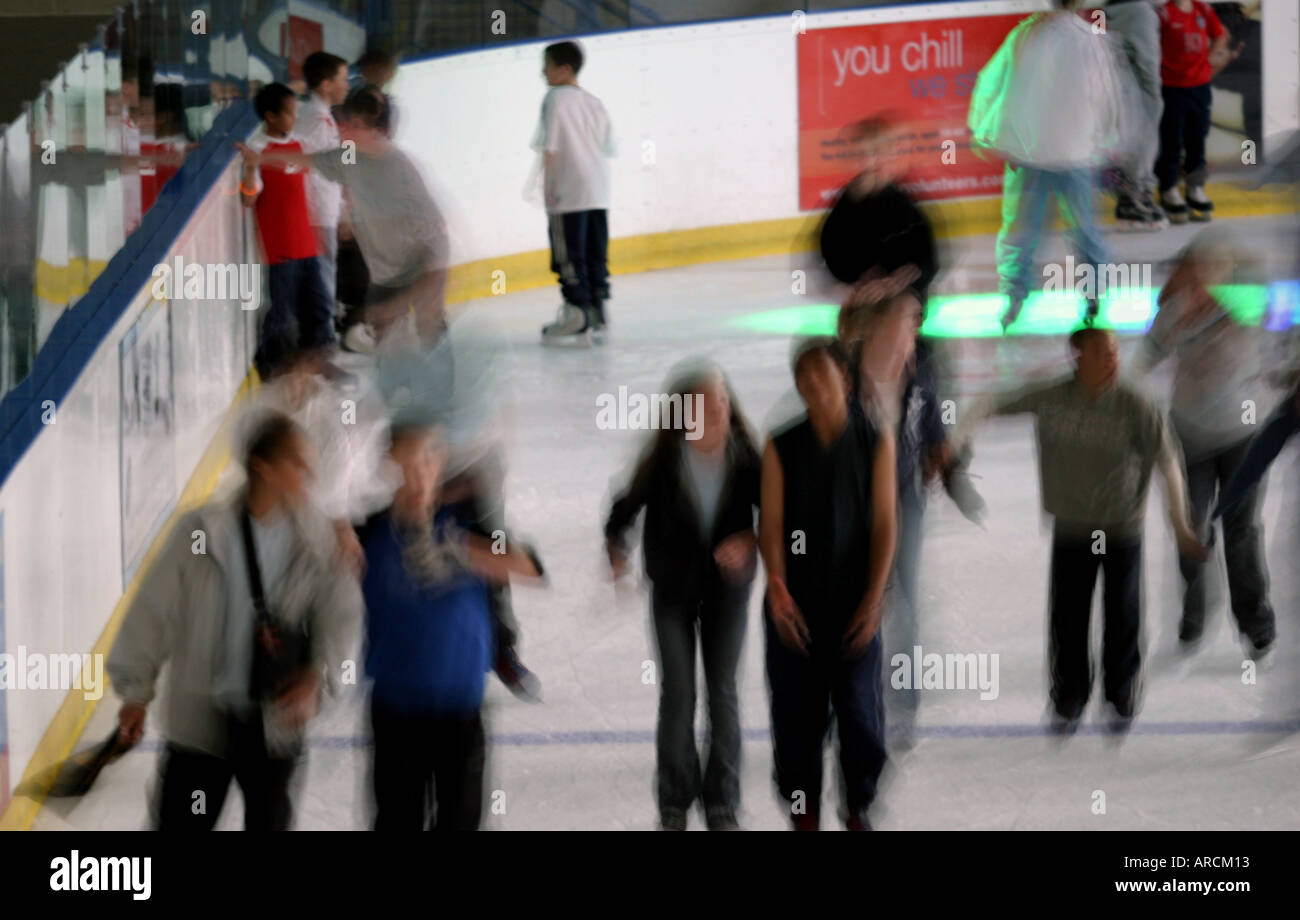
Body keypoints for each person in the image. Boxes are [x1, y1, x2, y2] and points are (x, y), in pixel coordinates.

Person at [108, 412, 362, 830]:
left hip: (275, 724)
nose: (309, 474)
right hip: (201, 728)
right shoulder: (200, 532)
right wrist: (136, 691)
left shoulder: (319, 539)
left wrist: (317, 678)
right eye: (298, 463)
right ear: (263, 468)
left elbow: (342, 615)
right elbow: (153, 609)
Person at [952, 327, 1206, 733]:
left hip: (1122, 527)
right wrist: (954, 440)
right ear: (1077, 356)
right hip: (1072, 526)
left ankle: (1120, 693)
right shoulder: (1051, 395)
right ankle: (1068, 696)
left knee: (1122, 614)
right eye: (1102, 353)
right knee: (1068, 617)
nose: (1112, 360)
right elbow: (989, 401)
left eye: (1114, 352)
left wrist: (1179, 522)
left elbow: (1168, 461)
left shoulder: (1134, 403)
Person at [358, 422, 541, 830]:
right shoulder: (368, 532)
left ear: (442, 464)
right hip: (394, 711)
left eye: (428, 461)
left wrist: (462, 549)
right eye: (407, 464)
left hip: (459, 709)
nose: (419, 474)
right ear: (388, 467)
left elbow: (529, 564)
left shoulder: (468, 525)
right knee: (395, 820)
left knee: (460, 822)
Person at [604, 360, 761, 831]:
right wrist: (616, 548)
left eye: (723, 400)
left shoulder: (746, 457)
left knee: (723, 693)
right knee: (678, 695)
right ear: (685, 410)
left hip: (726, 595)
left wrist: (749, 542)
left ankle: (722, 800)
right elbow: (623, 509)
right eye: (709, 402)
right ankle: (674, 800)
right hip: (671, 595)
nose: (719, 409)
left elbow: (778, 519)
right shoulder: (665, 460)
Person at [838, 290, 985, 749]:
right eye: (905, 321)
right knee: (855, 595)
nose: (913, 331)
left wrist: (947, 460)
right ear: (880, 326)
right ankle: (850, 699)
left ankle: (902, 704)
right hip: (855, 496)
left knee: (902, 595)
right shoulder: (848, 365)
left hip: (906, 494)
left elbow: (936, 413)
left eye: (915, 322)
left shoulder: (922, 362)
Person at [761, 337, 897, 830]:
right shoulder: (782, 444)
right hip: (795, 603)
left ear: (843, 375)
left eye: (821, 375)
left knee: (860, 713)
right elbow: (771, 526)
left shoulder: (874, 440)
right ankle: (804, 808)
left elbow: (885, 524)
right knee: (797, 716)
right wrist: (776, 586)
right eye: (803, 379)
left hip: (854, 602)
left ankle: (857, 805)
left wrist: (874, 596)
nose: (812, 386)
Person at [1134, 233, 1276, 660]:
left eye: (1202, 273)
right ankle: (1194, 616)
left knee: (1241, 534)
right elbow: (1144, 360)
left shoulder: (1246, 305)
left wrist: (1207, 280)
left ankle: (1255, 623)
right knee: (1191, 531)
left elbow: (1254, 270)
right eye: (1190, 272)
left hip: (1241, 438)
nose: (1193, 284)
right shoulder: (1175, 311)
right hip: (1187, 438)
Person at [967, 0, 1141, 331]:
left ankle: (1015, 296)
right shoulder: (1091, 40)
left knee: (1022, 230)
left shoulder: (1026, 35)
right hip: (1074, 155)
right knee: (1084, 230)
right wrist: (1112, 140)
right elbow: (1109, 94)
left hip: (1030, 154)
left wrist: (985, 130)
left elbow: (992, 80)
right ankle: (1092, 296)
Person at [238, 89, 450, 352]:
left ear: (375, 130)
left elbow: (432, 230)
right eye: (345, 125)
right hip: (384, 270)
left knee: (427, 326)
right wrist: (259, 159)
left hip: (420, 261)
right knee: (385, 333)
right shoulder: (349, 157)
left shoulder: (394, 165)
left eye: (353, 126)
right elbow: (309, 161)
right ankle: (394, 382)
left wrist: (416, 286)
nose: (344, 132)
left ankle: (438, 382)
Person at [239, 83, 338, 380]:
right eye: (290, 114)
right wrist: (250, 169)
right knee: (281, 312)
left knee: (318, 304)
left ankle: (319, 356)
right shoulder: (257, 150)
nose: (295, 119)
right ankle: (271, 365)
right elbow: (248, 198)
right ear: (270, 116)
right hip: (279, 247)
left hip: (307, 241)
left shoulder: (301, 145)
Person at [532, 40, 616, 345]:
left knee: (568, 254)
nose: (543, 73)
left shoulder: (554, 99)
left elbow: (550, 147)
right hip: (599, 188)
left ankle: (576, 311)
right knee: (595, 250)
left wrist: (548, 187)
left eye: (548, 65)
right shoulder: (594, 102)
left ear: (564, 69)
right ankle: (597, 311)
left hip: (569, 187)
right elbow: (608, 146)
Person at [818, 114, 939, 305]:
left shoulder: (902, 203)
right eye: (860, 155)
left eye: (874, 154)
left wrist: (893, 283)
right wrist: (851, 280)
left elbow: (926, 260)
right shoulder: (846, 201)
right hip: (864, 305)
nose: (868, 162)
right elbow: (830, 247)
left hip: (903, 306)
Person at [1155, 0, 1241, 223]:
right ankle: (1169, 188)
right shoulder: (1164, 13)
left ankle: (1195, 187)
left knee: (1197, 139)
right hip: (1172, 86)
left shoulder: (1203, 9)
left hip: (1199, 86)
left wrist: (1210, 55)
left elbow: (1220, 34)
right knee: (1171, 140)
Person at [1100, 0, 1170, 230]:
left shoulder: (1113, 10)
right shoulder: (1139, 12)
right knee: (1143, 130)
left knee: (1126, 133)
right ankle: (1137, 195)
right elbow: (1148, 62)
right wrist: (1155, 95)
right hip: (1135, 83)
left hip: (1117, 82)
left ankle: (1128, 194)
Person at [298, 52, 350, 317]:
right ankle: (321, 342)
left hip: (321, 211)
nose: (348, 85)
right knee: (320, 280)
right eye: (343, 79)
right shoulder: (315, 122)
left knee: (324, 276)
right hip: (316, 213)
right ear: (326, 84)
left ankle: (322, 338)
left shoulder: (321, 118)